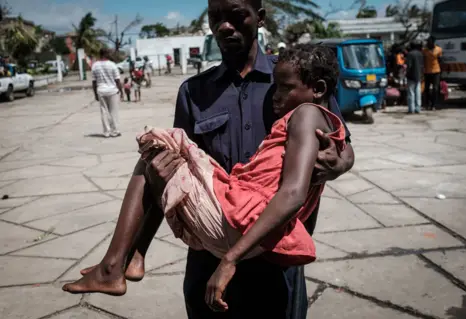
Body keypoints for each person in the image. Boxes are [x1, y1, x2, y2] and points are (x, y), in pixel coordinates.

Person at [61, 1, 355, 318]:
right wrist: (163, 174)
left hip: (274, 254)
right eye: (216, 18)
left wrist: (339, 164)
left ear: (260, 17)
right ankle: (128, 259)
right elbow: (179, 172)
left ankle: (120, 262)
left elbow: (341, 145)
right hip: (210, 255)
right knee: (158, 157)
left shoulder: (296, 77)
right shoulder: (194, 91)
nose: (224, 26)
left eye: (236, 15)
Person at [91, 48, 123, 138]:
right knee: (113, 112)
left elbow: (94, 82)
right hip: (112, 91)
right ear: (106, 54)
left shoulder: (95, 66)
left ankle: (106, 132)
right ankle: (115, 131)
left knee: (104, 112)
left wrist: (95, 94)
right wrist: (121, 91)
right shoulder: (112, 65)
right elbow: (117, 80)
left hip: (101, 91)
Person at [423, 36, 443, 111]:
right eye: (427, 42)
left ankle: (433, 104)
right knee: (426, 89)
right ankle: (427, 104)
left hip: (436, 71)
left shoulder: (439, 49)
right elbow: (423, 60)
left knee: (435, 88)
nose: (427, 43)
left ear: (433, 42)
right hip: (427, 72)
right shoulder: (424, 50)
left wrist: (441, 72)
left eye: (429, 42)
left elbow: (440, 60)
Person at [406, 41, 424, 114]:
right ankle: (418, 108)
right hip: (419, 75)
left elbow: (409, 66)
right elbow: (422, 65)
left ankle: (411, 109)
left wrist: (407, 73)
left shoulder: (410, 54)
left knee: (411, 92)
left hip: (411, 75)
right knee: (418, 92)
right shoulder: (420, 53)